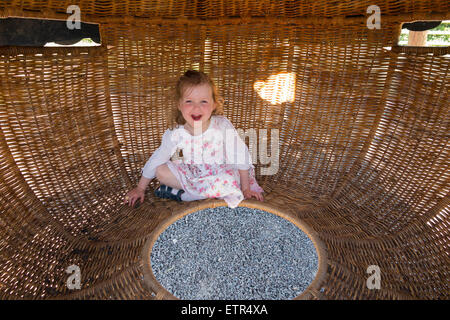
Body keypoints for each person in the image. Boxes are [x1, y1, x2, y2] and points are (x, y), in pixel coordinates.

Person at [124, 70, 264, 208]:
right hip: (195, 174)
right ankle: (203, 192)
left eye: (203, 101)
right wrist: (140, 188)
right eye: (189, 101)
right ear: (179, 105)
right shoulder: (176, 132)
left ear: (214, 104)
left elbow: (240, 154)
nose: (196, 107)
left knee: (229, 181)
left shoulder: (221, 125)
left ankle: (186, 196)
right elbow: (158, 157)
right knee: (160, 170)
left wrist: (246, 188)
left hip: (223, 174)